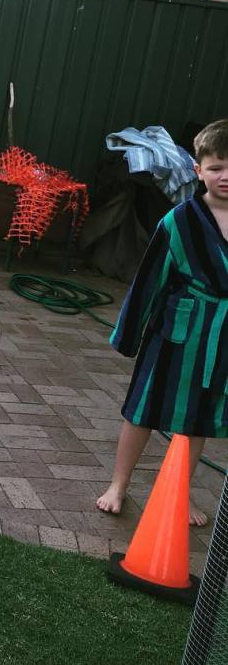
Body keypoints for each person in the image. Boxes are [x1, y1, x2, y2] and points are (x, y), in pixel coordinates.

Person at [96, 118, 228, 527]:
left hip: (221, 336)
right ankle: (119, 484)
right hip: (176, 332)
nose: (225, 176)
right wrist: (130, 335)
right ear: (197, 169)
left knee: (198, 417)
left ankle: (178, 494)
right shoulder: (179, 221)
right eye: (216, 166)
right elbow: (149, 280)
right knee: (144, 408)